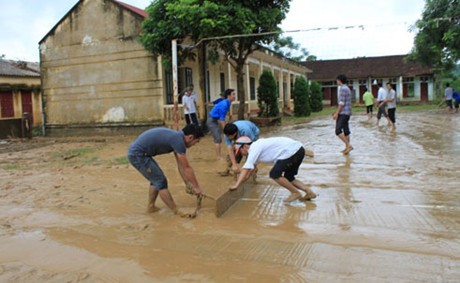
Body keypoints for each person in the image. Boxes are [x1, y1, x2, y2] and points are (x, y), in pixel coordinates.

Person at [127, 124, 205, 215]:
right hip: (138, 155)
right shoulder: (178, 141)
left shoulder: (177, 138)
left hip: (140, 153)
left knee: (156, 180)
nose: (195, 144)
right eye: (196, 141)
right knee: (161, 181)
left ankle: (151, 207)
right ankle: (177, 211)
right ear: (190, 137)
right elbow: (187, 168)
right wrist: (197, 187)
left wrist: (187, 183)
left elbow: (181, 165)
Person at [228, 136, 317, 203]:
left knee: (274, 174)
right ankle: (309, 192)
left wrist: (237, 185)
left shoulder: (254, 148)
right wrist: (244, 179)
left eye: (240, 151)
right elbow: (252, 168)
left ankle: (295, 193)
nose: (242, 154)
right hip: (298, 150)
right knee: (289, 177)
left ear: (244, 146)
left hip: (291, 151)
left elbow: (246, 167)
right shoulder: (257, 148)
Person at [206, 88, 237, 160]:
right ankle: (218, 157)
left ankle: (231, 153)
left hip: (216, 120)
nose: (235, 96)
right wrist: (227, 131)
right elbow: (221, 119)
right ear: (228, 96)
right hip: (212, 121)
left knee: (226, 136)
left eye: (234, 94)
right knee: (218, 138)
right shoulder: (225, 104)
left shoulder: (227, 103)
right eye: (233, 94)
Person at [332, 74, 353, 155]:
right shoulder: (347, 88)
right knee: (346, 130)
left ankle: (348, 145)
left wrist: (336, 113)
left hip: (343, 112)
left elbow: (341, 103)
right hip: (347, 112)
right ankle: (347, 148)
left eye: (337, 80)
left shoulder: (342, 89)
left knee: (338, 131)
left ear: (339, 80)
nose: (337, 81)